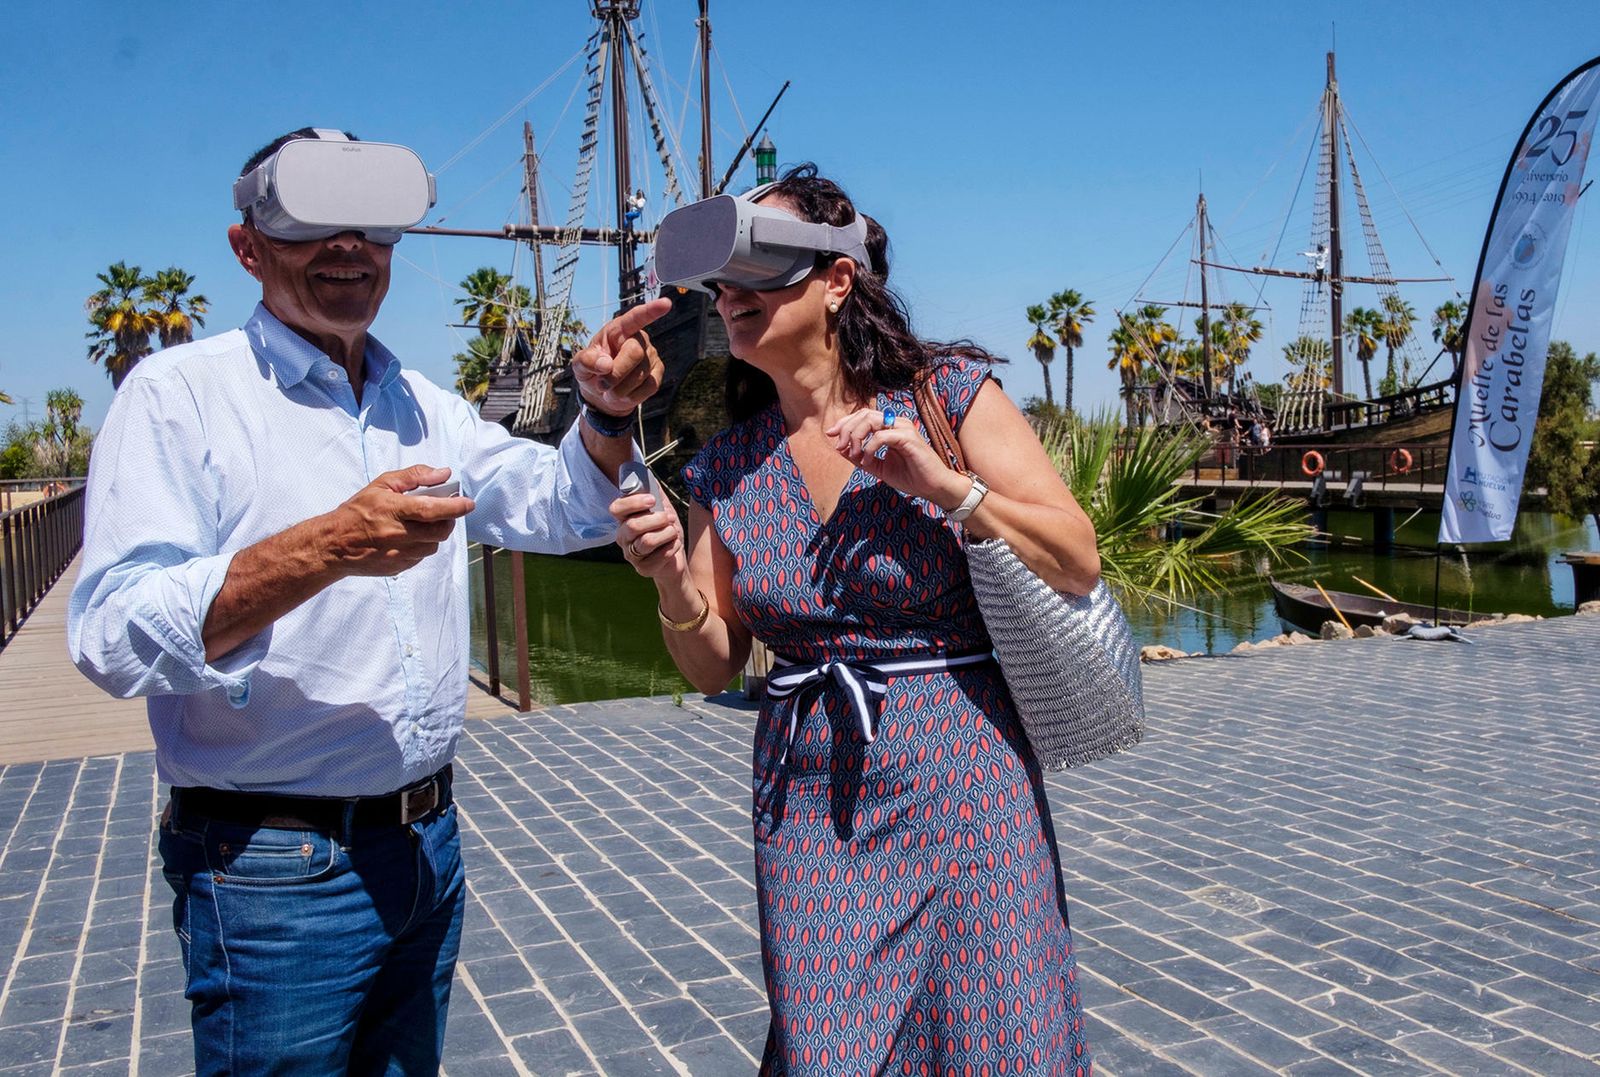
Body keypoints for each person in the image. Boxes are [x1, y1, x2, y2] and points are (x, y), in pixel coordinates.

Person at [67, 127, 669, 1074]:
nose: (348, 244)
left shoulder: (419, 403)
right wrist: (327, 546)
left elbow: (554, 503)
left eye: (372, 222)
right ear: (247, 247)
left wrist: (605, 415)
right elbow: (110, 630)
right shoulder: (179, 397)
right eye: (313, 220)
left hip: (427, 844)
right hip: (271, 870)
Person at [607, 164, 1098, 1074]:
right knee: (828, 1042)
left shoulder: (948, 399)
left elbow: (1077, 556)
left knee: (989, 1032)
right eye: (723, 282)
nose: (731, 296)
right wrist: (672, 579)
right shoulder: (726, 464)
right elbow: (714, 665)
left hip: (966, 788)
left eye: (759, 270)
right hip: (807, 798)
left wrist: (949, 490)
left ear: (837, 281)